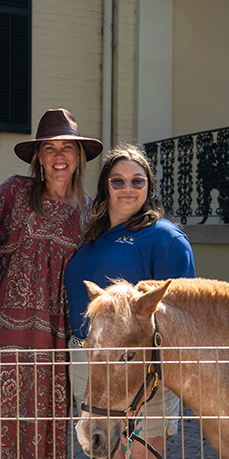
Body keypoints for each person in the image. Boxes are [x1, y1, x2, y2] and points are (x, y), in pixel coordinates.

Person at [0, 109, 103, 459]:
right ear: (39, 158)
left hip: (57, 337)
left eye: (68, 148)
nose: (59, 156)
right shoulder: (15, 192)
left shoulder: (90, 213)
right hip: (5, 332)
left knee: (49, 418)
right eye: (50, 148)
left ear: (78, 158)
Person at [65, 143, 196, 458]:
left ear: (149, 187)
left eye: (137, 181)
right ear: (105, 187)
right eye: (117, 181)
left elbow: (181, 314)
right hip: (88, 360)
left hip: (139, 366)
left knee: (141, 453)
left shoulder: (165, 238)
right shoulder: (91, 236)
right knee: (100, 451)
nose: (127, 188)